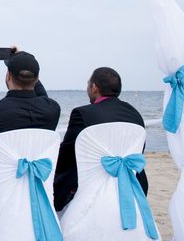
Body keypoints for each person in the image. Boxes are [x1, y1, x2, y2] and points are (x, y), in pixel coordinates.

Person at [0, 50, 60, 224]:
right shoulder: (52, 110)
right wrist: (23, 58)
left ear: (8, 76)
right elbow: (42, 96)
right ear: (38, 78)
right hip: (39, 180)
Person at [53, 67, 148, 211]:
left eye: (88, 84)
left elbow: (67, 155)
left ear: (94, 87)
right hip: (131, 183)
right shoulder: (134, 114)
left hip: (92, 185)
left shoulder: (82, 114)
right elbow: (139, 150)